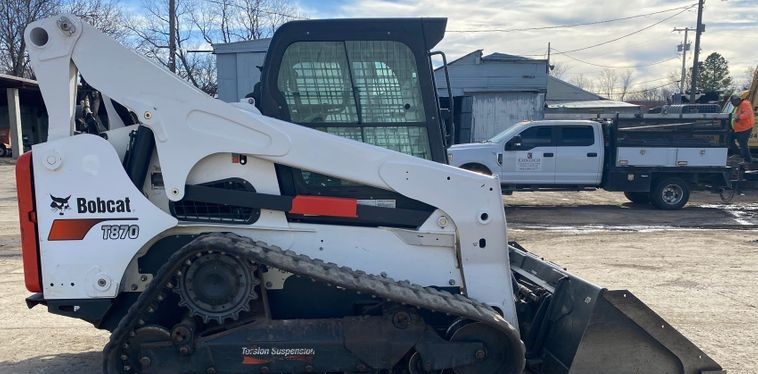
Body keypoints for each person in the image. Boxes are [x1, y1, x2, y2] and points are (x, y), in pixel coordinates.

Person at [730, 94, 755, 163]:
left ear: (737, 100)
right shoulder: (739, 106)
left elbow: (748, 113)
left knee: (743, 144)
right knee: (729, 139)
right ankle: (738, 154)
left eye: (732, 102)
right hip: (738, 129)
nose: (732, 104)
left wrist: (739, 117)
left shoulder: (745, 104)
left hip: (745, 128)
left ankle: (748, 160)